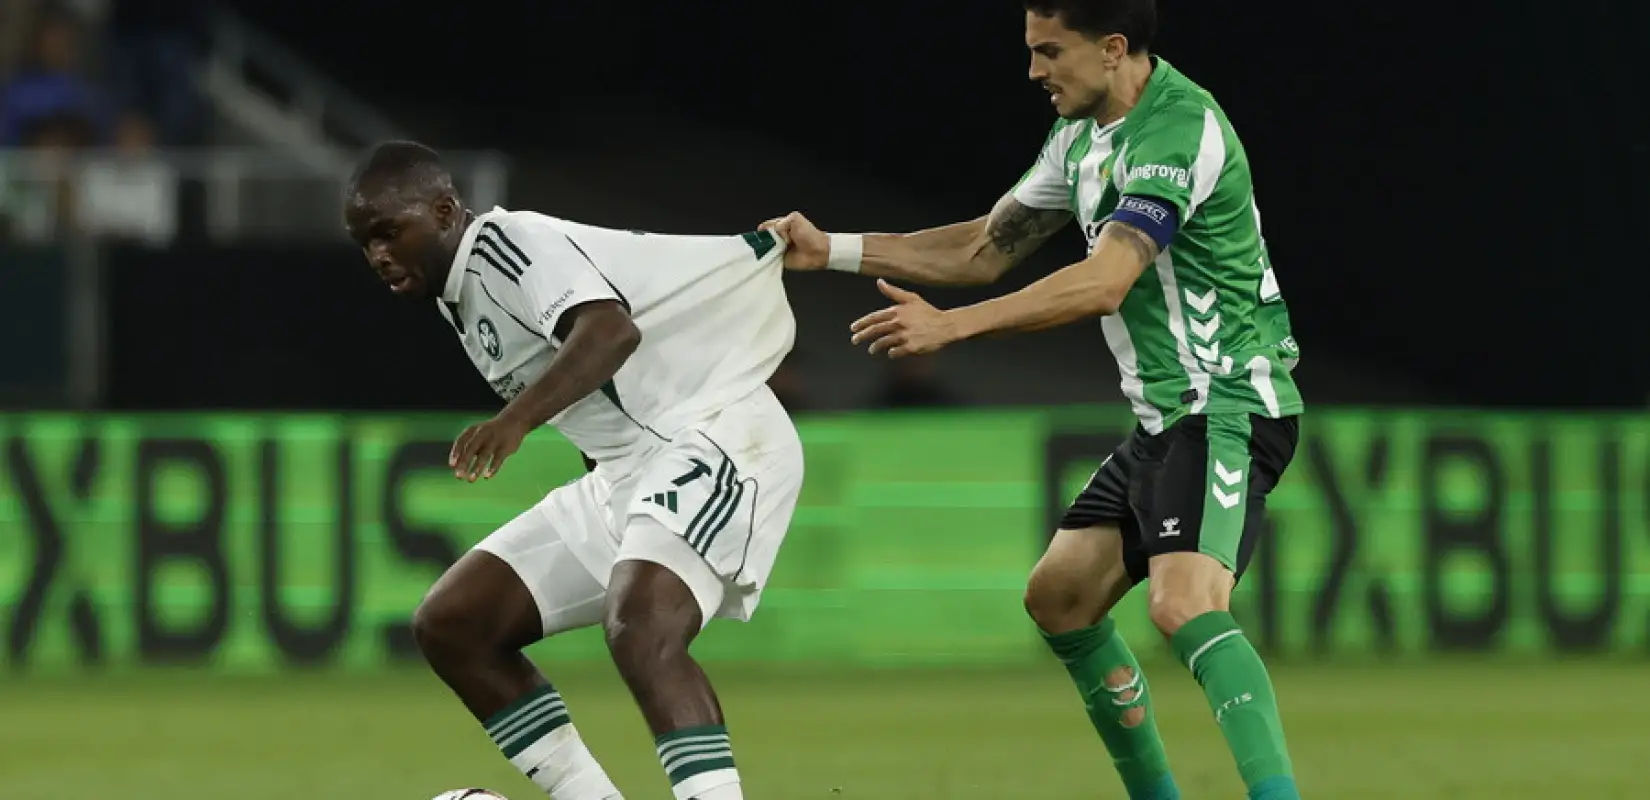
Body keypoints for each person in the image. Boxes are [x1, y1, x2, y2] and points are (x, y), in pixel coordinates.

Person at [760, 2, 1305, 799]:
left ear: (1113, 49)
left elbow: (1105, 279)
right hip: (1165, 421)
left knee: (1182, 604)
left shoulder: (1178, 130)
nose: (1034, 71)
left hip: (1229, 401)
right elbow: (985, 247)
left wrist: (953, 329)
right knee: (1058, 598)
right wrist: (832, 250)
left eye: (1050, 51)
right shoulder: (1080, 140)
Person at [344, 140, 804, 800]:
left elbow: (610, 332)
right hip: (631, 468)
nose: (379, 254)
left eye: (390, 231)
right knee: (454, 624)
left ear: (445, 211)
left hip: (717, 434)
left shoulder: (505, 245)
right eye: (365, 242)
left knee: (640, 624)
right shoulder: (455, 296)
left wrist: (515, 422)